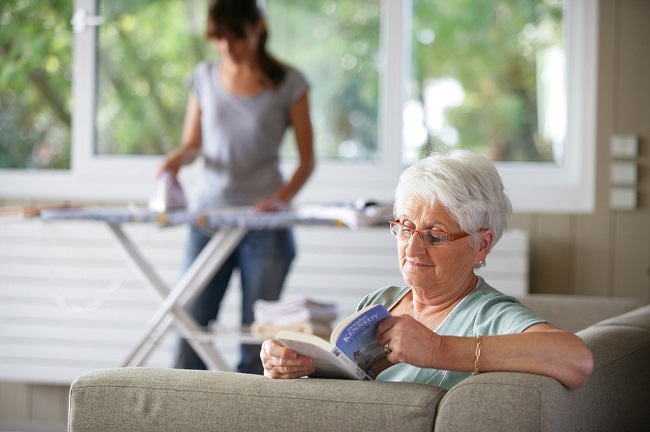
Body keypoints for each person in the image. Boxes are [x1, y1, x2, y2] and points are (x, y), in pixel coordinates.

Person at [261, 150, 593, 390]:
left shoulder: (489, 315)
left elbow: (577, 359)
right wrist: (294, 367)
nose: (413, 248)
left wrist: (437, 349)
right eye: (405, 228)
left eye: (435, 235)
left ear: (482, 244)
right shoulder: (381, 301)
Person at [158, 0, 315, 374]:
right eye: (219, 39)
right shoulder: (204, 77)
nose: (228, 48)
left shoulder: (289, 83)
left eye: (236, 37)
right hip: (208, 219)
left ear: (258, 27)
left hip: (264, 227)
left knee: (256, 338)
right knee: (191, 327)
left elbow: (307, 160)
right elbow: (193, 144)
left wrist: (279, 201)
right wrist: (175, 161)